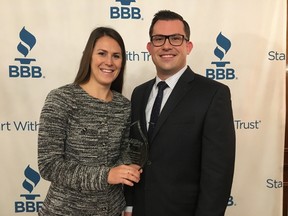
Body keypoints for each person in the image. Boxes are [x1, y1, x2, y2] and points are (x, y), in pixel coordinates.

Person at [124, 10, 236, 216]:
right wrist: (130, 205)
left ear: (188, 46)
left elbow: (218, 173)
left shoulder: (213, 94)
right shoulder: (139, 93)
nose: (167, 45)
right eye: (159, 39)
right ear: (150, 47)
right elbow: (134, 154)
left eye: (175, 38)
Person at [38, 27, 142, 216]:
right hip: (64, 211)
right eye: (102, 53)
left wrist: (127, 167)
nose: (109, 62)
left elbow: (125, 153)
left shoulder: (124, 106)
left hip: (112, 210)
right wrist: (107, 175)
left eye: (116, 56)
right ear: (89, 56)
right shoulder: (62, 99)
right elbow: (49, 165)